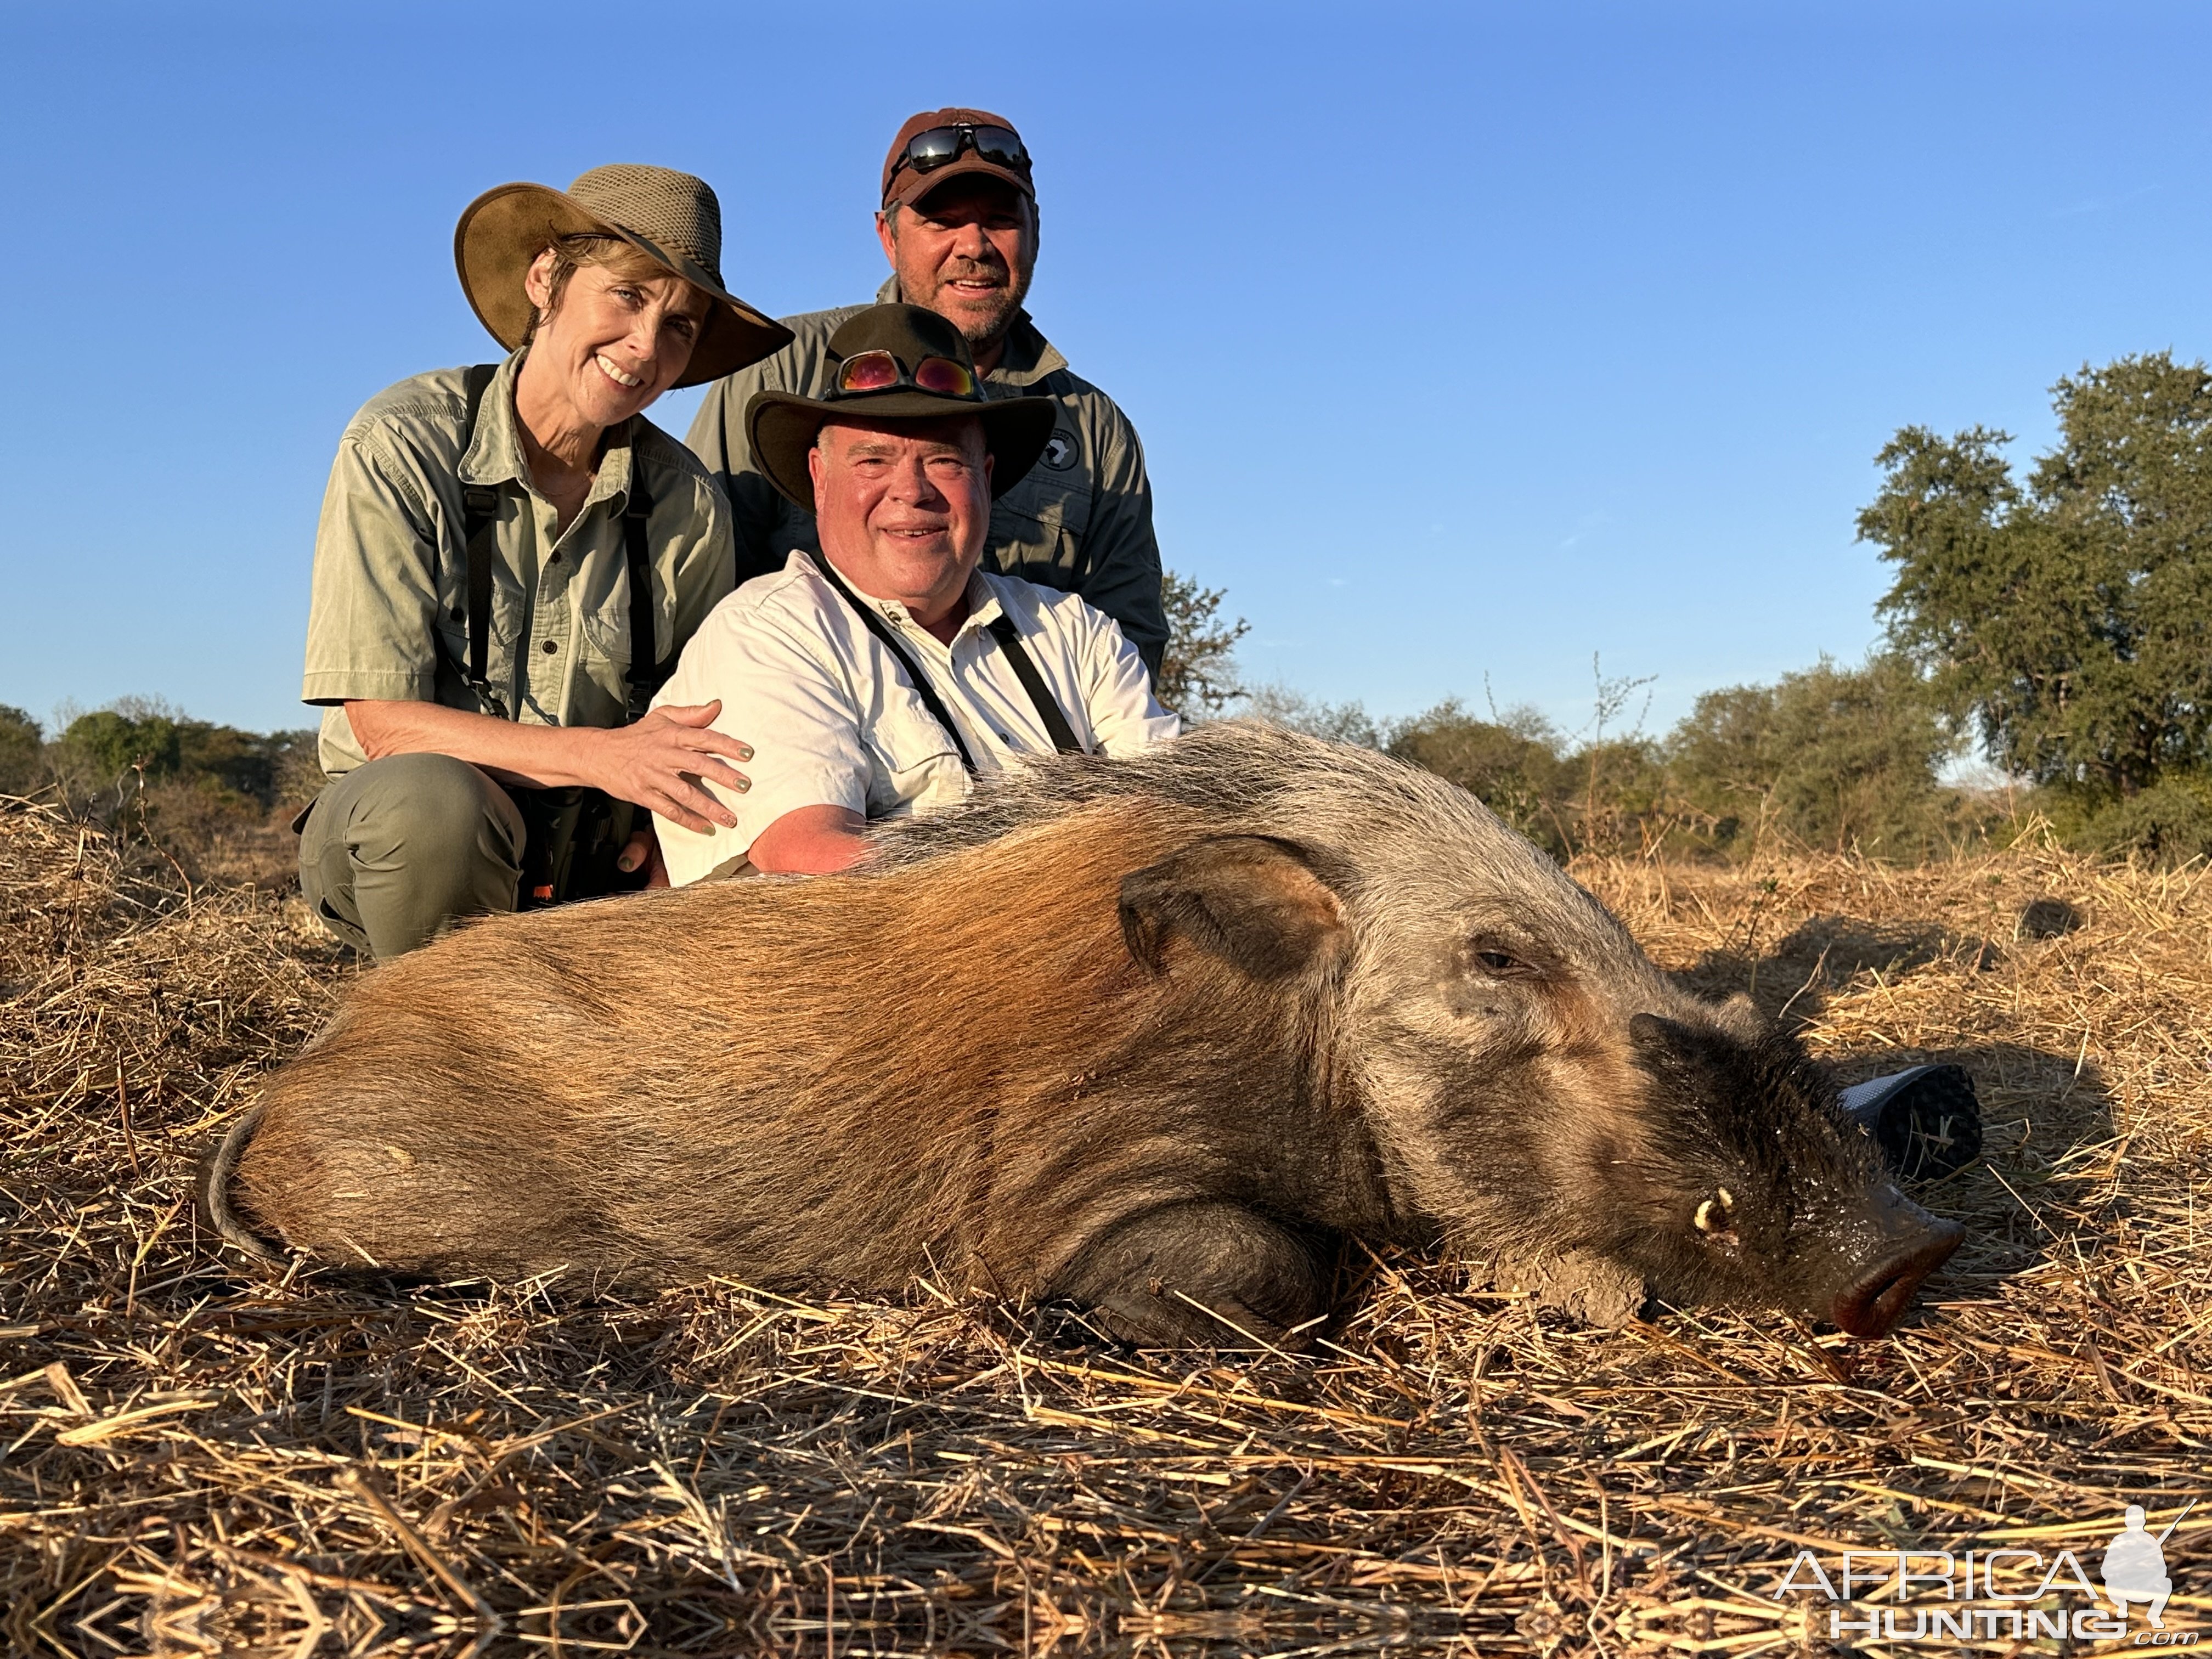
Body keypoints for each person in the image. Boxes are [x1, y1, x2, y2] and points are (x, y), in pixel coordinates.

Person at [296, 165, 791, 960]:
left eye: (681, 326)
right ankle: (431, 1040)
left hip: (597, 857)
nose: (646, 349)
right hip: (415, 836)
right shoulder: (399, 443)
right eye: (628, 295)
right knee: (435, 808)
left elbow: (710, 721)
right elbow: (383, 726)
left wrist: (673, 847)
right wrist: (606, 757)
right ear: (544, 280)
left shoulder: (691, 504)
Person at [652, 304, 1177, 884]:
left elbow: (1171, 821)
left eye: (945, 460)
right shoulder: (767, 633)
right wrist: (1065, 884)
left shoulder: (1076, 632)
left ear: (987, 474)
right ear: (820, 477)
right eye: (873, 460)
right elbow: (813, 854)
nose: (912, 490)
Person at [685, 108, 1169, 675]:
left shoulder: (1096, 430)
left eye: (1000, 219)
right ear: (887, 236)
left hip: (1025, 749)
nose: (975, 246)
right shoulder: (780, 369)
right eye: (941, 222)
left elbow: (1128, 642)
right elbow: (698, 590)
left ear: (1035, 229)